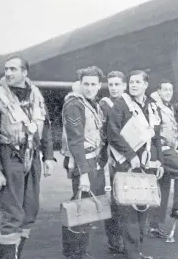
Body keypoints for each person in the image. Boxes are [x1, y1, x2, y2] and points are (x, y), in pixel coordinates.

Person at [0, 55, 55, 259]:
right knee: (13, 215)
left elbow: (45, 128)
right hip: (9, 158)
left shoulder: (36, 97)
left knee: (29, 212)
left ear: (25, 72)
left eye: (13, 69)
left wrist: (48, 157)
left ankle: (16, 255)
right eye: (6, 69)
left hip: (32, 157)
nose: (8, 73)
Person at [107, 70, 163, 259]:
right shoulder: (121, 105)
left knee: (143, 207)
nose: (134, 85)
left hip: (147, 164)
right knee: (128, 210)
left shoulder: (153, 106)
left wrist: (160, 162)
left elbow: (156, 138)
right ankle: (132, 253)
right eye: (131, 82)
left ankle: (137, 249)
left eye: (138, 82)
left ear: (146, 84)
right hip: (126, 164)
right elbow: (113, 134)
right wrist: (131, 155)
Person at [60, 66, 105, 259]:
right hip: (82, 162)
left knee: (82, 204)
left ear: (99, 85)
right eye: (85, 84)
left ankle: (75, 251)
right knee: (82, 205)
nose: (89, 87)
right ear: (80, 84)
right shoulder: (74, 104)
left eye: (93, 84)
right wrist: (84, 172)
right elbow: (75, 141)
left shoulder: (90, 103)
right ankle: (75, 253)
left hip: (92, 159)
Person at [148, 79, 178, 239]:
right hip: (163, 149)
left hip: (166, 149)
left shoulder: (166, 106)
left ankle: (154, 226)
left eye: (170, 90)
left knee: (162, 187)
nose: (168, 92)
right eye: (165, 89)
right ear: (158, 91)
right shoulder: (155, 106)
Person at [98, 71, 127, 254]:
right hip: (111, 157)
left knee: (128, 198)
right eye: (111, 85)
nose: (114, 88)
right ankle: (115, 241)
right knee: (114, 200)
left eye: (117, 84)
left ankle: (128, 239)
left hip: (128, 157)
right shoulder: (105, 104)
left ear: (124, 86)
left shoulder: (129, 103)